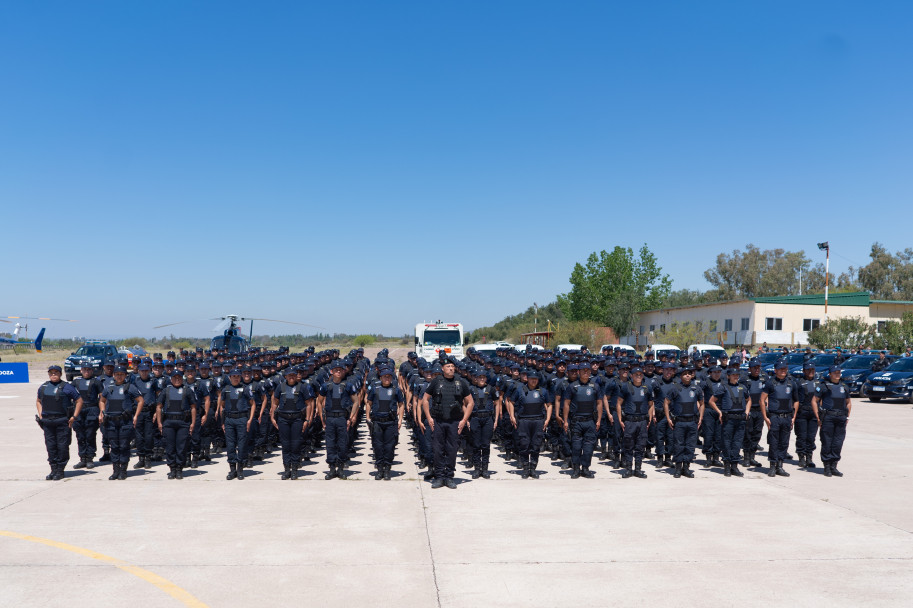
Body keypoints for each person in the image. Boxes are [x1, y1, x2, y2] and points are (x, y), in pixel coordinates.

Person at [420, 358, 473, 489]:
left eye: (452, 366)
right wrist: (429, 417)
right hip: (438, 421)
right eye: (448, 366)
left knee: (452, 450)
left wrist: (464, 420)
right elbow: (425, 399)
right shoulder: (436, 381)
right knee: (438, 450)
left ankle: (449, 477)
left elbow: (470, 402)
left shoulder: (461, 382)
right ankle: (439, 477)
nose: (451, 368)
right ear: (442, 368)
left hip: (454, 422)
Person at [36, 365, 83, 480]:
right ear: (48, 374)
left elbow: (79, 400)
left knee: (62, 446)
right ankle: (53, 469)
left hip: (62, 421)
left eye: (56, 373)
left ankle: (60, 470)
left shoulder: (67, 387)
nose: (53, 375)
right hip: (47, 422)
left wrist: (74, 417)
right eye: (51, 373)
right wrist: (41, 414)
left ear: (60, 374)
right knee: (51, 446)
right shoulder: (43, 387)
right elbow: (38, 401)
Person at [98, 366, 144, 480]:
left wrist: (136, 415)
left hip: (125, 421)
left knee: (124, 446)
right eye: (117, 374)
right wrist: (102, 412)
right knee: (114, 446)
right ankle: (115, 471)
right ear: (113, 375)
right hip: (111, 422)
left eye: (121, 374)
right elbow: (102, 400)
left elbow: (140, 401)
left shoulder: (130, 387)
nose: (119, 376)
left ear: (125, 375)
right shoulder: (109, 388)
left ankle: (123, 470)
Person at [562, 364, 605, 479]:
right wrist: (565, 420)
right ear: (579, 372)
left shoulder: (595, 386)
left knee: (589, 447)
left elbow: (600, 403)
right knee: (576, 446)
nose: (586, 372)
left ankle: (585, 468)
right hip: (576, 422)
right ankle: (576, 469)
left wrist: (599, 419)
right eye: (583, 370)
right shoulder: (572, 387)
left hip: (590, 421)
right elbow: (566, 404)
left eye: (587, 370)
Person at [317, 360, 358, 480]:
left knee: (342, 444)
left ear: (344, 371)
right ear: (332, 372)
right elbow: (319, 402)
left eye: (340, 370)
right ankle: (331, 468)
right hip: (330, 418)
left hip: (342, 418)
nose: (338, 372)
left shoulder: (348, 385)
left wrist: (351, 417)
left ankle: (340, 468)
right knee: (330, 444)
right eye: (336, 370)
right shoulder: (326, 386)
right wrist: (322, 418)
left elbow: (356, 402)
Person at [508, 371, 552, 479]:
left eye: (536, 379)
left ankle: (533, 469)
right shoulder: (520, 390)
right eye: (532, 378)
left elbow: (549, 405)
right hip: (523, 421)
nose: (534, 381)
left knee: (536, 445)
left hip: (538, 421)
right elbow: (511, 403)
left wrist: (548, 419)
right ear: (527, 379)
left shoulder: (543, 391)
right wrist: (512, 416)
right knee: (524, 445)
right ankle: (525, 468)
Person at [708, 368, 750, 477]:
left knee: (737, 443)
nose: (736, 377)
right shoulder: (723, 387)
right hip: (729, 419)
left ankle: (734, 466)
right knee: (726, 442)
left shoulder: (743, 387)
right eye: (733, 375)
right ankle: (727, 466)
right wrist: (719, 412)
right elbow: (711, 401)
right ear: (728, 376)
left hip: (740, 419)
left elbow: (749, 400)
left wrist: (747, 412)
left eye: (737, 375)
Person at [155, 371, 196, 479]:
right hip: (168, 423)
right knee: (170, 447)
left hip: (183, 423)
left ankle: (179, 469)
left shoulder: (187, 390)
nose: (177, 379)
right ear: (171, 379)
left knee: (181, 447)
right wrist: (159, 423)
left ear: (182, 378)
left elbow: (193, 407)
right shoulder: (166, 390)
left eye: (179, 377)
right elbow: (159, 407)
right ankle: (172, 468)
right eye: (174, 377)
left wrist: (193, 423)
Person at [365, 368, 405, 481]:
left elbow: (401, 405)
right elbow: (369, 403)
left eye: (389, 376)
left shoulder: (396, 390)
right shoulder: (375, 389)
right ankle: (379, 469)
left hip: (391, 422)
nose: (387, 378)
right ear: (381, 378)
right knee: (377, 446)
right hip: (377, 422)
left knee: (389, 446)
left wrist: (400, 420)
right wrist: (368, 417)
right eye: (385, 376)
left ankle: (387, 469)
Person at [760, 362, 798, 477]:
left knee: (784, 443)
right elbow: (762, 400)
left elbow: (796, 401)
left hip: (787, 417)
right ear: (775, 370)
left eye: (785, 368)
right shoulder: (770, 383)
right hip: (774, 417)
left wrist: (794, 417)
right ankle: (772, 466)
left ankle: (780, 466)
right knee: (774, 442)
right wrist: (765, 417)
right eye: (780, 369)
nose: (783, 370)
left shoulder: (792, 383)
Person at [664, 366, 703, 479]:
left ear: (692, 375)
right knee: (679, 445)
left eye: (689, 373)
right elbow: (666, 402)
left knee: (690, 446)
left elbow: (702, 403)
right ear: (680, 376)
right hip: (679, 422)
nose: (687, 375)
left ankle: (686, 468)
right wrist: (668, 418)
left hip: (692, 422)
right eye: (685, 373)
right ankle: (678, 468)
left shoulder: (697, 388)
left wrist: (700, 417)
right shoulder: (675, 388)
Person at [219, 369, 257, 480]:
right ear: (230, 377)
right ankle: (232, 469)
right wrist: (222, 422)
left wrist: (249, 420)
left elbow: (253, 404)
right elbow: (222, 406)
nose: (236, 378)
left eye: (237, 376)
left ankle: (240, 469)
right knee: (230, 445)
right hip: (229, 420)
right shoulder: (226, 389)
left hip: (242, 419)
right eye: (233, 376)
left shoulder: (245, 389)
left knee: (242, 444)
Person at [616, 367, 653, 479]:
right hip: (630, 421)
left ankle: (638, 469)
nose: (638, 376)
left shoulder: (647, 388)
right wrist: (620, 420)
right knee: (628, 446)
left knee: (640, 446)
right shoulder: (626, 387)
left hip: (642, 421)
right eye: (636, 374)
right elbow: (618, 403)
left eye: (640, 374)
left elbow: (651, 405)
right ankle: (628, 469)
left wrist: (649, 419)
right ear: (631, 376)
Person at [815, 366, 852, 477]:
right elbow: (815, 400)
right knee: (827, 441)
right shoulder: (823, 386)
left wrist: (847, 417)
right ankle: (826, 466)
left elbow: (848, 403)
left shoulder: (844, 386)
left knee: (838, 442)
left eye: (839, 372)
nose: (837, 374)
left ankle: (834, 466)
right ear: (830, 374)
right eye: (835, 373)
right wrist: (818, 416)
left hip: (841, 418)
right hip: (828, 417)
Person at [468, 369, 500, 479]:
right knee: (476, 445)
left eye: (483, 377)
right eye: (479, 377)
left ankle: (485, 469)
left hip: (488, 419)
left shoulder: (491, 389)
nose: (481, 379)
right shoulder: (471, 389)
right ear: (475, 378)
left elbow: (497, 403)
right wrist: (466, 419)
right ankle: (477, 468)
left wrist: (496, 420)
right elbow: (465, 404)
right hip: (475, 418)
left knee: (486, 445)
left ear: (486, 378)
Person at [70, 365, 101, 469]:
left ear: (92, 371)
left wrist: (101, 412)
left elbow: (102, 398)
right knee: (80, 435)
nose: (86, 371)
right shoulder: (76, 382)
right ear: (81, 370)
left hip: (92, 410)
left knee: (90, 434)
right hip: (79, 411)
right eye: (84, 369)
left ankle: (90, 458)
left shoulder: (96, 381)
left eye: (89, 369)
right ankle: (82, 458)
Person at [795, 362, 820, 469]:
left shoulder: (818, 382)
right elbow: (795, 399)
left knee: (811, 437)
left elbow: (821, 398)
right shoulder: (799, 383)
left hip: (814, 413)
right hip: (802, 412)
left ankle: (809, 457)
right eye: (808, 370)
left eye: (812, 370)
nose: (811, 372)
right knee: (802, 436)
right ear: (804, 371)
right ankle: (801, 457)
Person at [131, 364, 156, 470]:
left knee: (149, 436)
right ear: (139, 371)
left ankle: (148, 458)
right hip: (138, 412)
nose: (144, 372)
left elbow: (158, 395)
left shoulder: (153, 381)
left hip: (150, 412)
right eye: (142, 371)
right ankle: (141, 458)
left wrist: (156, 412)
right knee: (139, 436)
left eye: (146, 370)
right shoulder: (135, 382)